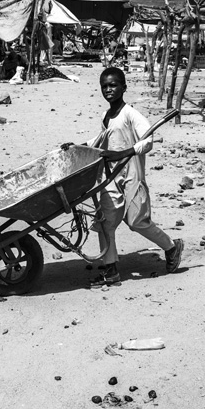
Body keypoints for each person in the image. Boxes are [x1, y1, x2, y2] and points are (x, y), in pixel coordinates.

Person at [80, 67, 184, 287]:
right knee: (105, 222)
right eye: (105, 86)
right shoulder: (106, 116)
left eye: (113, 85)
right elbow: (101, 139)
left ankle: (171, 247)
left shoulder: (130, 113)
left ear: (123, 88)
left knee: (136, 221)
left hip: (131, 175)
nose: (109, 89)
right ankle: (110, 270)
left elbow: (148, 140)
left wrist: (124, 153)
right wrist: (79, 146)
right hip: (111, 177)